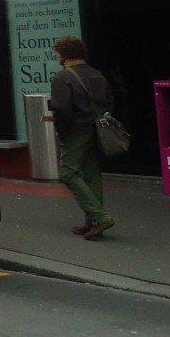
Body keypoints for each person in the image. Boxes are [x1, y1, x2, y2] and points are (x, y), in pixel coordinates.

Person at [48, 35, 115, 239]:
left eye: (59, 53)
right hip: (97, 130)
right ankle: (93, 223)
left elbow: (62, 109)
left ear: (65, 55)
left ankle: (100, 217)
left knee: (69, 173)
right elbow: (110, 101)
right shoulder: (97, 74)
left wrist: (61, 129)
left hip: (76, 131)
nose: (58, 57)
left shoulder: (62, 77)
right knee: (92, 175)